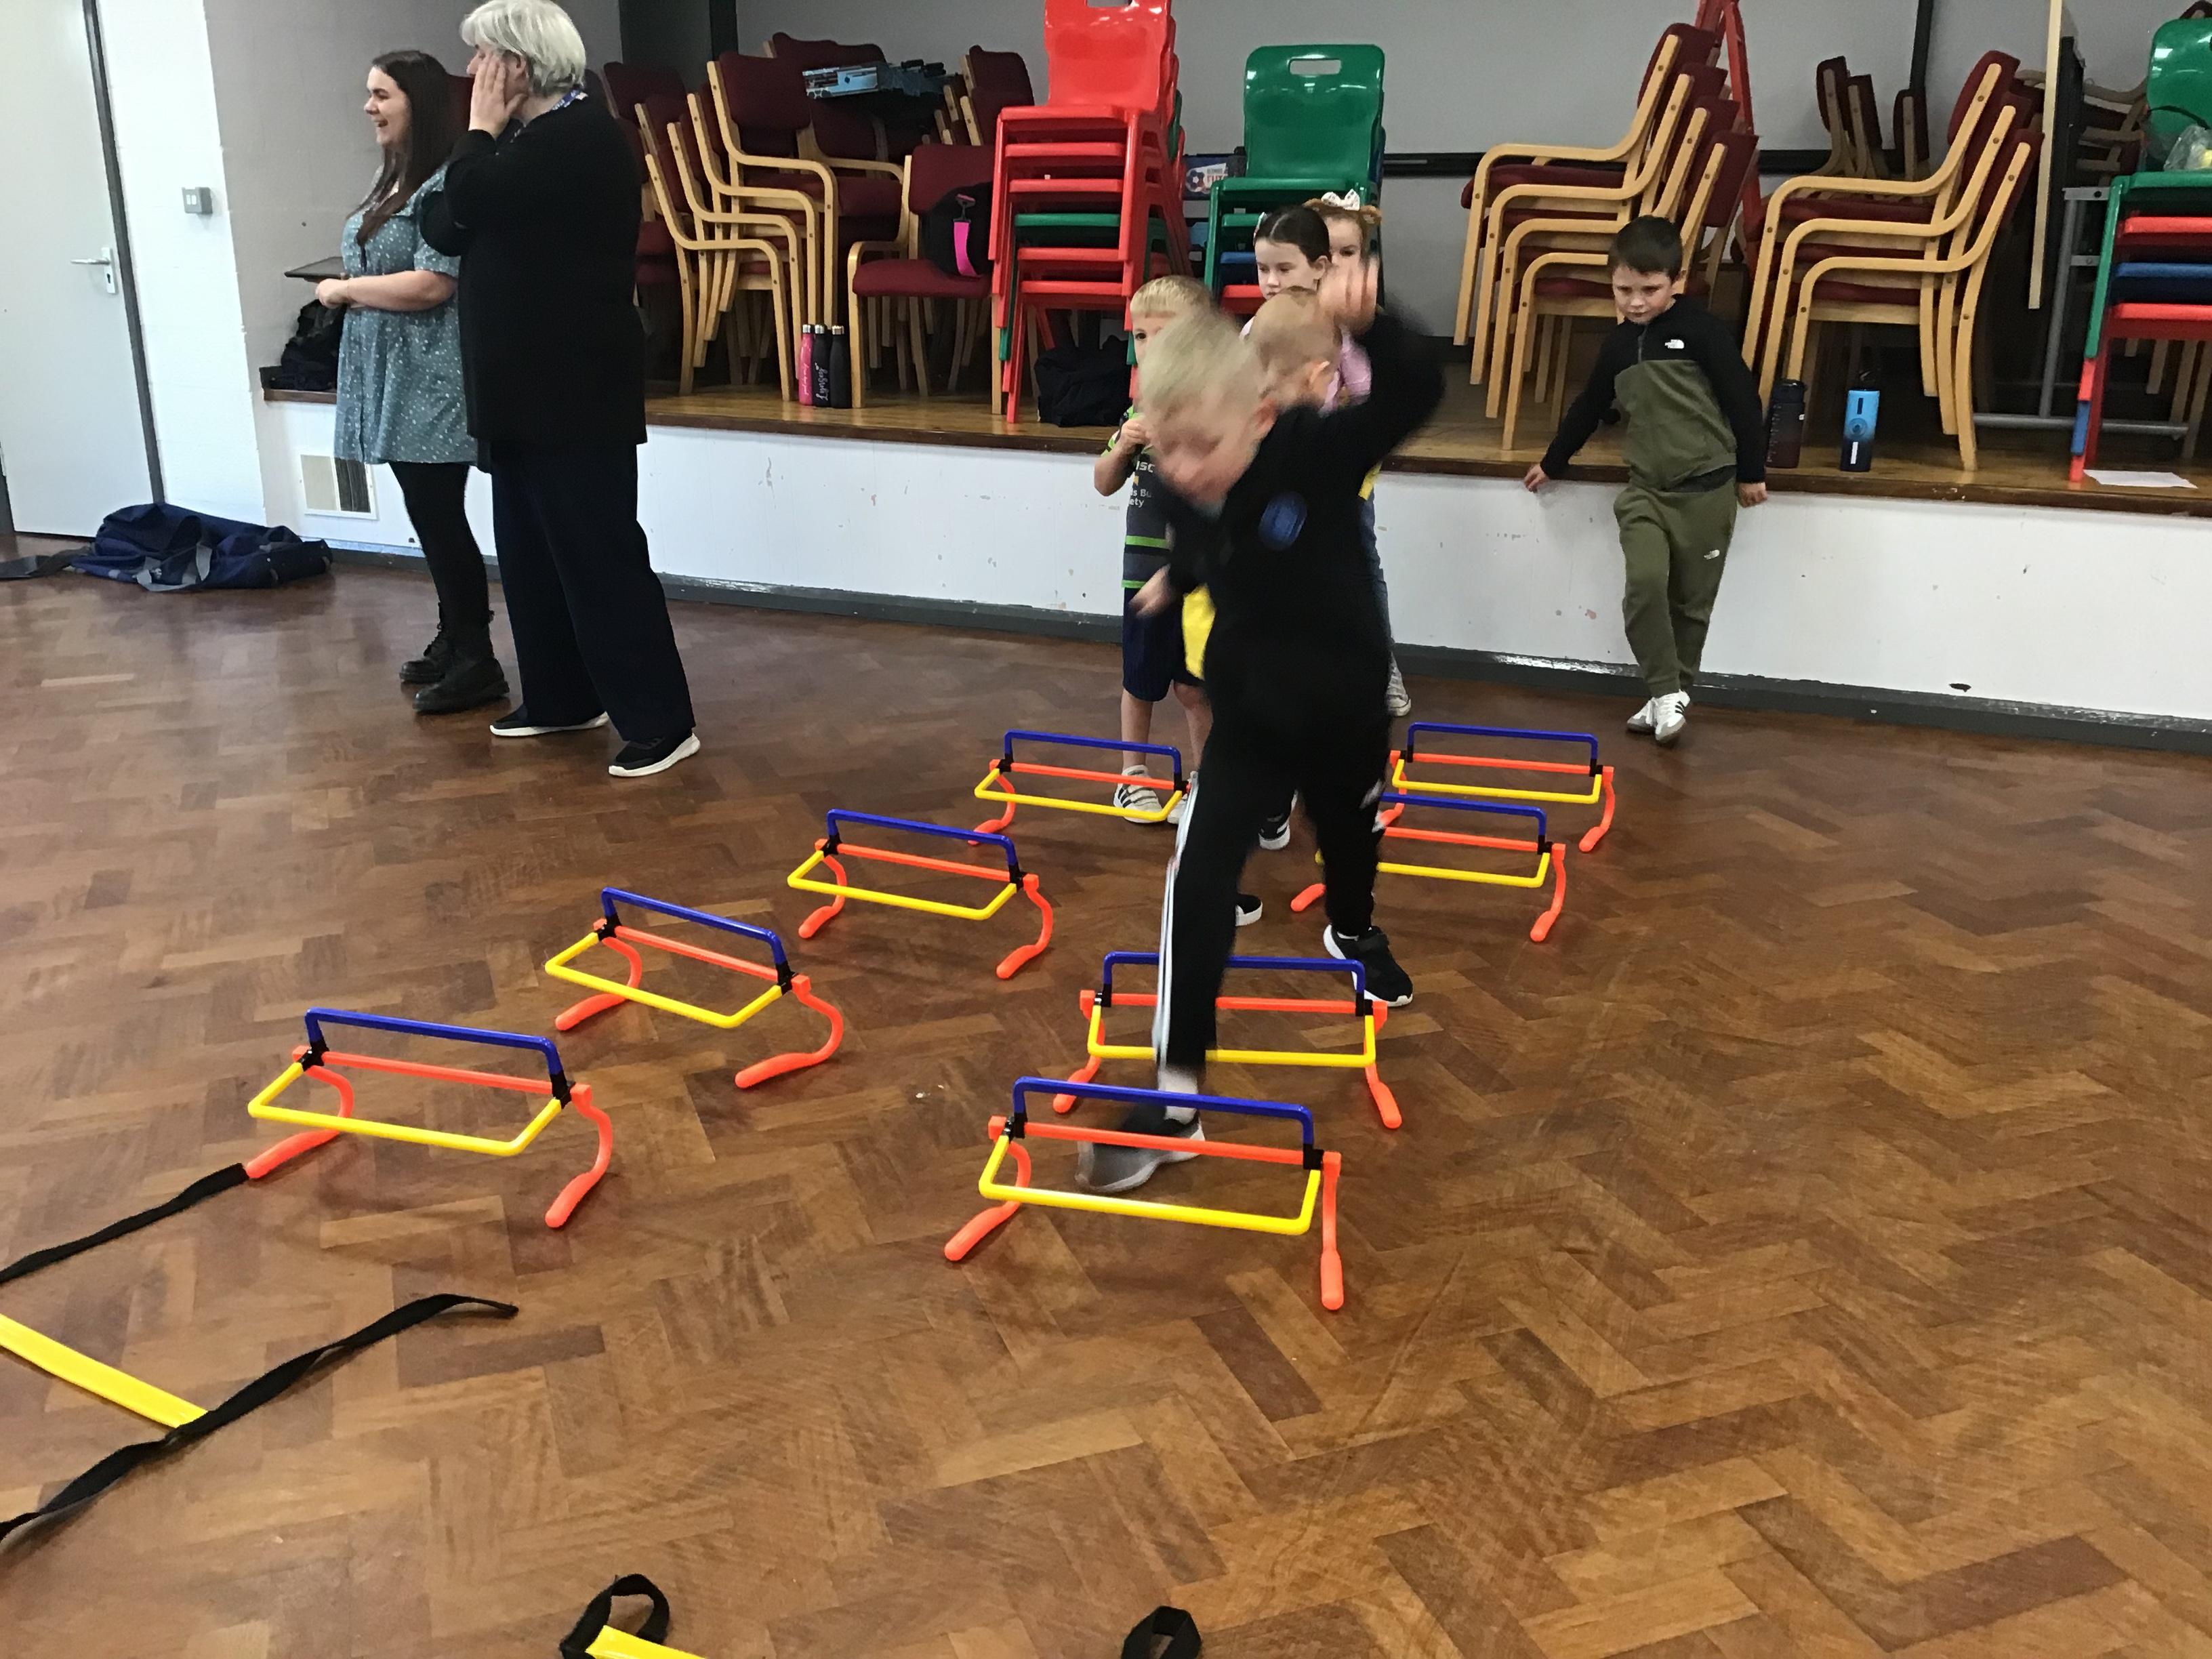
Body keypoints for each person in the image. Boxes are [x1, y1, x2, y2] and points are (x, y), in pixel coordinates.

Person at [1076, 262, 1442, 1194]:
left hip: (1345, 707)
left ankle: (1353, 929)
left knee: (1346, 840)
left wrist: (1376, 323)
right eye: (1167, 451)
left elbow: (1418, 393)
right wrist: (1183, 576)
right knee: (1196, 879)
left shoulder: (1316, 449)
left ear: (1262, 418)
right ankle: (1175, 1096)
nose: (1182, 470)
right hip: (1250, 714)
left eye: (1202, 447)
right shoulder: (1183, 475)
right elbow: (1212, 534)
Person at [422, 0, 700, 778]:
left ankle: (662, 721)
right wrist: (482, 144)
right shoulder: (520, 147)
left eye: (483, 56)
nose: (473, 72)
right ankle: (562, 697)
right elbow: (441, 227)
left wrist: (478, 132)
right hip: (517, 392)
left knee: (598, 555)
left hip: (573, 391)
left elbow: (464, 203)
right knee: (532, 557)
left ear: (518, 62)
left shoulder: (579, 136)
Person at [1523, 216, 1768, 747]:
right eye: (1623, 290)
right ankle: (1665, 690)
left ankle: (1669, 696)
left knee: (1691, 604)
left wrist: (1752, 471)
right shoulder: (1617, 346)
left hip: (1708, 489)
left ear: (1678, 282)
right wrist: (1554, 461)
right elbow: (1591, 404)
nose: (1635, 303)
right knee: (1645, 587)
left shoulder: (1704, 333)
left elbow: (1742, 401)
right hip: (1647, 492)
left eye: (1650, 290)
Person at [323, 50, 505, 716]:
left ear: (417, 105)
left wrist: (345, 290)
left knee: (438, 514)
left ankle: (476, 656)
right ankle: (453, 637)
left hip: (430, 373)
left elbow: (433, 284)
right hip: (394, 368)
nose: (369, 107)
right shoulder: (396, 179)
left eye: (382, 96)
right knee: (428, 513)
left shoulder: (442, 185)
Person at [1250, 205, 1409, 719]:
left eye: (1284, 268)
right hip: (1278, 473)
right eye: (1263, 269)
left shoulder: (1342, 331)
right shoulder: (1258, 328)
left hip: (1339, 476)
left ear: (1317, 268)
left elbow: (1372, 399)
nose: (1272, 282)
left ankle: (1379, 664)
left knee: (1356, 564)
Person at [1095, 275, 1211, 825]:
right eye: (1141, 336)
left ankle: (1205, 782)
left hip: (1196, 577)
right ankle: (1132, 776)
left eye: (1165, 336)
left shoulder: (1212, 413)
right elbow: (1102, 482)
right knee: (1139, 680)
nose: (1149, 348)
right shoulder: (1135, 413)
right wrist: (1124, 446)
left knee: (1195, 688)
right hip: (1141, 574)